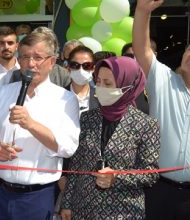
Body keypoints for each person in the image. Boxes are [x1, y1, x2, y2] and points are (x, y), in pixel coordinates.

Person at [0, 32, 80, 220]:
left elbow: (68, 147)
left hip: (37, 197)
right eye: (25, 57)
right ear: (19, 60)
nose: (31, 64)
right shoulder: (1, 93)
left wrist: (31, 124)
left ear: (52, 62)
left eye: (38, 57)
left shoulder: (66, 100)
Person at [60, 56, 160, 220]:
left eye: (107, 84)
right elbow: (76, 165)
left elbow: (151, 173)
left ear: (128, 86)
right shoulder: (87, 118)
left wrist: (117, 178)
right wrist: (67, 203)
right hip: (82, 209)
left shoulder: (146, 124)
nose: (100, 88)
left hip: (123, 211)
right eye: (98, 81)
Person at [133, 0, 190, 219]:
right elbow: (142, 49)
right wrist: (142, 11)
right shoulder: (164, 81)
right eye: (188, 50)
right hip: (158, 190)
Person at [65, 45, 99, 113]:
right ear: (68, 69)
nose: (81, 70)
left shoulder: (101, 97)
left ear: (93, 69)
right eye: (75, 65)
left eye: (87, 65)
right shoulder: (57, 97)